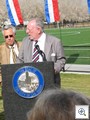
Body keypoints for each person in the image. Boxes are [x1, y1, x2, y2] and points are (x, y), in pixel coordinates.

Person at [17, 17, 66, 86]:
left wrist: (53, 69)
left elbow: (61, 60)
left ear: (38, 30)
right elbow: (19, 60)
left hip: (50, 82)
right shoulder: (25, 41)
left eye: (29, 29)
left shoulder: (55, 42)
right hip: (30, 83)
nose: (26, 31)